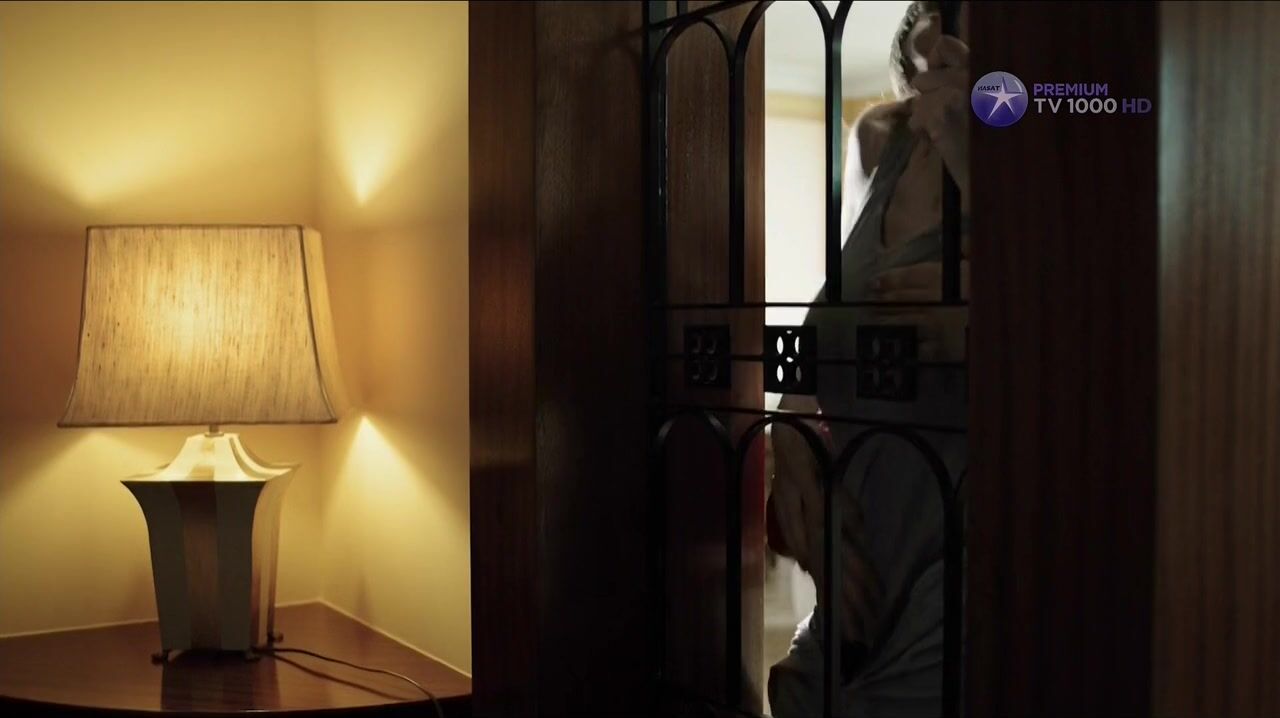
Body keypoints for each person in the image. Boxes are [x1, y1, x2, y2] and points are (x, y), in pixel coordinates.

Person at [766, 2, 970, 716]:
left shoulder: (1059, 127)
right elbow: (830, 320)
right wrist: (789, 431)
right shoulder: (882, 139)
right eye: (926, 61)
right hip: (854, 582)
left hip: (959, 583)